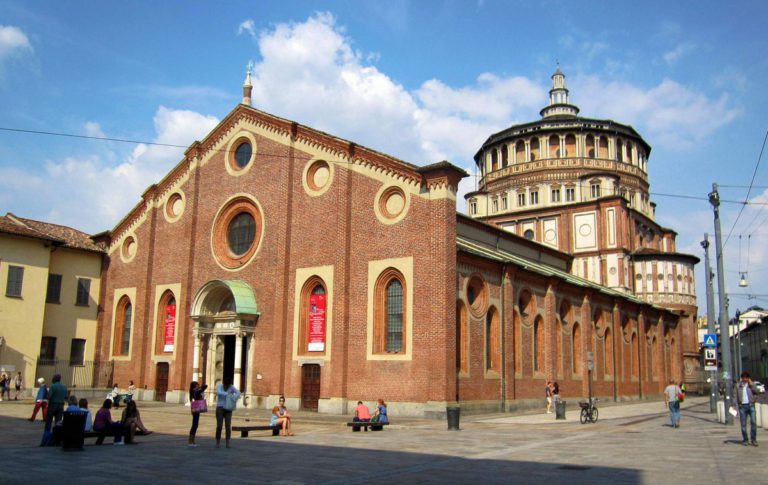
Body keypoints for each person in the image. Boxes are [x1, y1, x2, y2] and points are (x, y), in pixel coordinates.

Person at [734, 371, 759, 446]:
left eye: (746, 378)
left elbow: (757, 392)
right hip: (742, 407)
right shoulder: (738, 385)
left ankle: (753, 440)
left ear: (748, 378)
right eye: (743, 378)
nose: (745, 379)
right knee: (743, 425)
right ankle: (745, 440)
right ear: (741, 378)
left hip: (751, 405)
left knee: (753, 422)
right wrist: (734, 406)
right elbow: (735, 396)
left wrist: (751, 384)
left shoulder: (751, 384)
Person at [215, 377, 240, 448]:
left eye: (228, 385)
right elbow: (219, 393)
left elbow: (238, 392)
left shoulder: (231, 387)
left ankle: (228, 442)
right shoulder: (220, 386)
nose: (227, 386)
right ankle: (218, 442)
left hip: (228, 408)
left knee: (228, 426)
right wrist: (227, 394)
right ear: (223, 383)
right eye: (226, 385)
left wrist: (234, 397)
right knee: (219, 426)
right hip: (220, 407)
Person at [188, 381, 208, 447]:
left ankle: (192, 441)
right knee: (195, 425)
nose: (198, 386)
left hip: (195, 409)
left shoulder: (193, 391)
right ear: (194, 386)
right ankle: (190, 441)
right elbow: (205, 386)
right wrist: (200, 387)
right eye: (197, 385)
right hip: (196, 409)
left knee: (195, 425)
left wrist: (199, 387)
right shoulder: (196, 392)